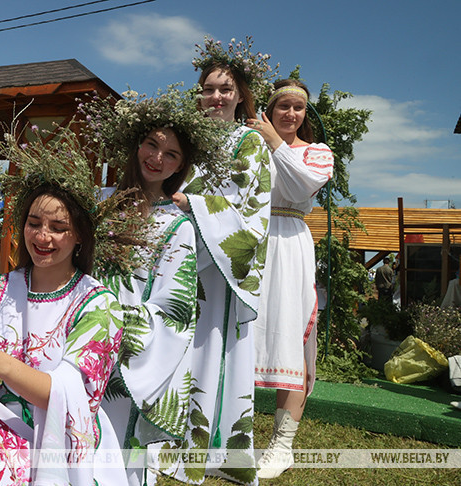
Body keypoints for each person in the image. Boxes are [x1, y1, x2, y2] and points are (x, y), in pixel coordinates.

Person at [0, 124, 146, 485]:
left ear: (79, 235)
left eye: (58, 227)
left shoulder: (98, 304)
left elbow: (72, 395)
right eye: (34, 223)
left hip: (58, 448)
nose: (43, 237)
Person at [79, 85, 233, 486]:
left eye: (172, 154)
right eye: (151, 144)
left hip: (129, 354)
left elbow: (175, 307)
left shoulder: (177, 225)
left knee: (115, 450)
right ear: (136, 143)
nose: (157, 158)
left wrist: (114, 326)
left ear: (181, 166)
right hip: (76, 342)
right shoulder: (98, 206)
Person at [168, 36, 275, 485]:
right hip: (180, 261)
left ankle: (213, 454)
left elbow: (251, 205)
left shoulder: (250, 142)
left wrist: (193, 206)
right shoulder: (187, 141)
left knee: (215, 351)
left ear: (240, 96)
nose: (215, 96)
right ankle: (169, 445)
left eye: (225, 89)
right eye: (208, 88)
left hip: (222, 268)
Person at [244, 79, 334, 479]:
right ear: (271, 108)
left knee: (290, 334)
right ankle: (233, 435)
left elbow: (302, 184)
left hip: (291, 240)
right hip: (250, 237)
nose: (291, 114)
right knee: (242, 331)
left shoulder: (317, 152)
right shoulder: (249, 143)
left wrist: (273, 142)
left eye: (298, 108)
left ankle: (282, 446)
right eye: (283, 106)